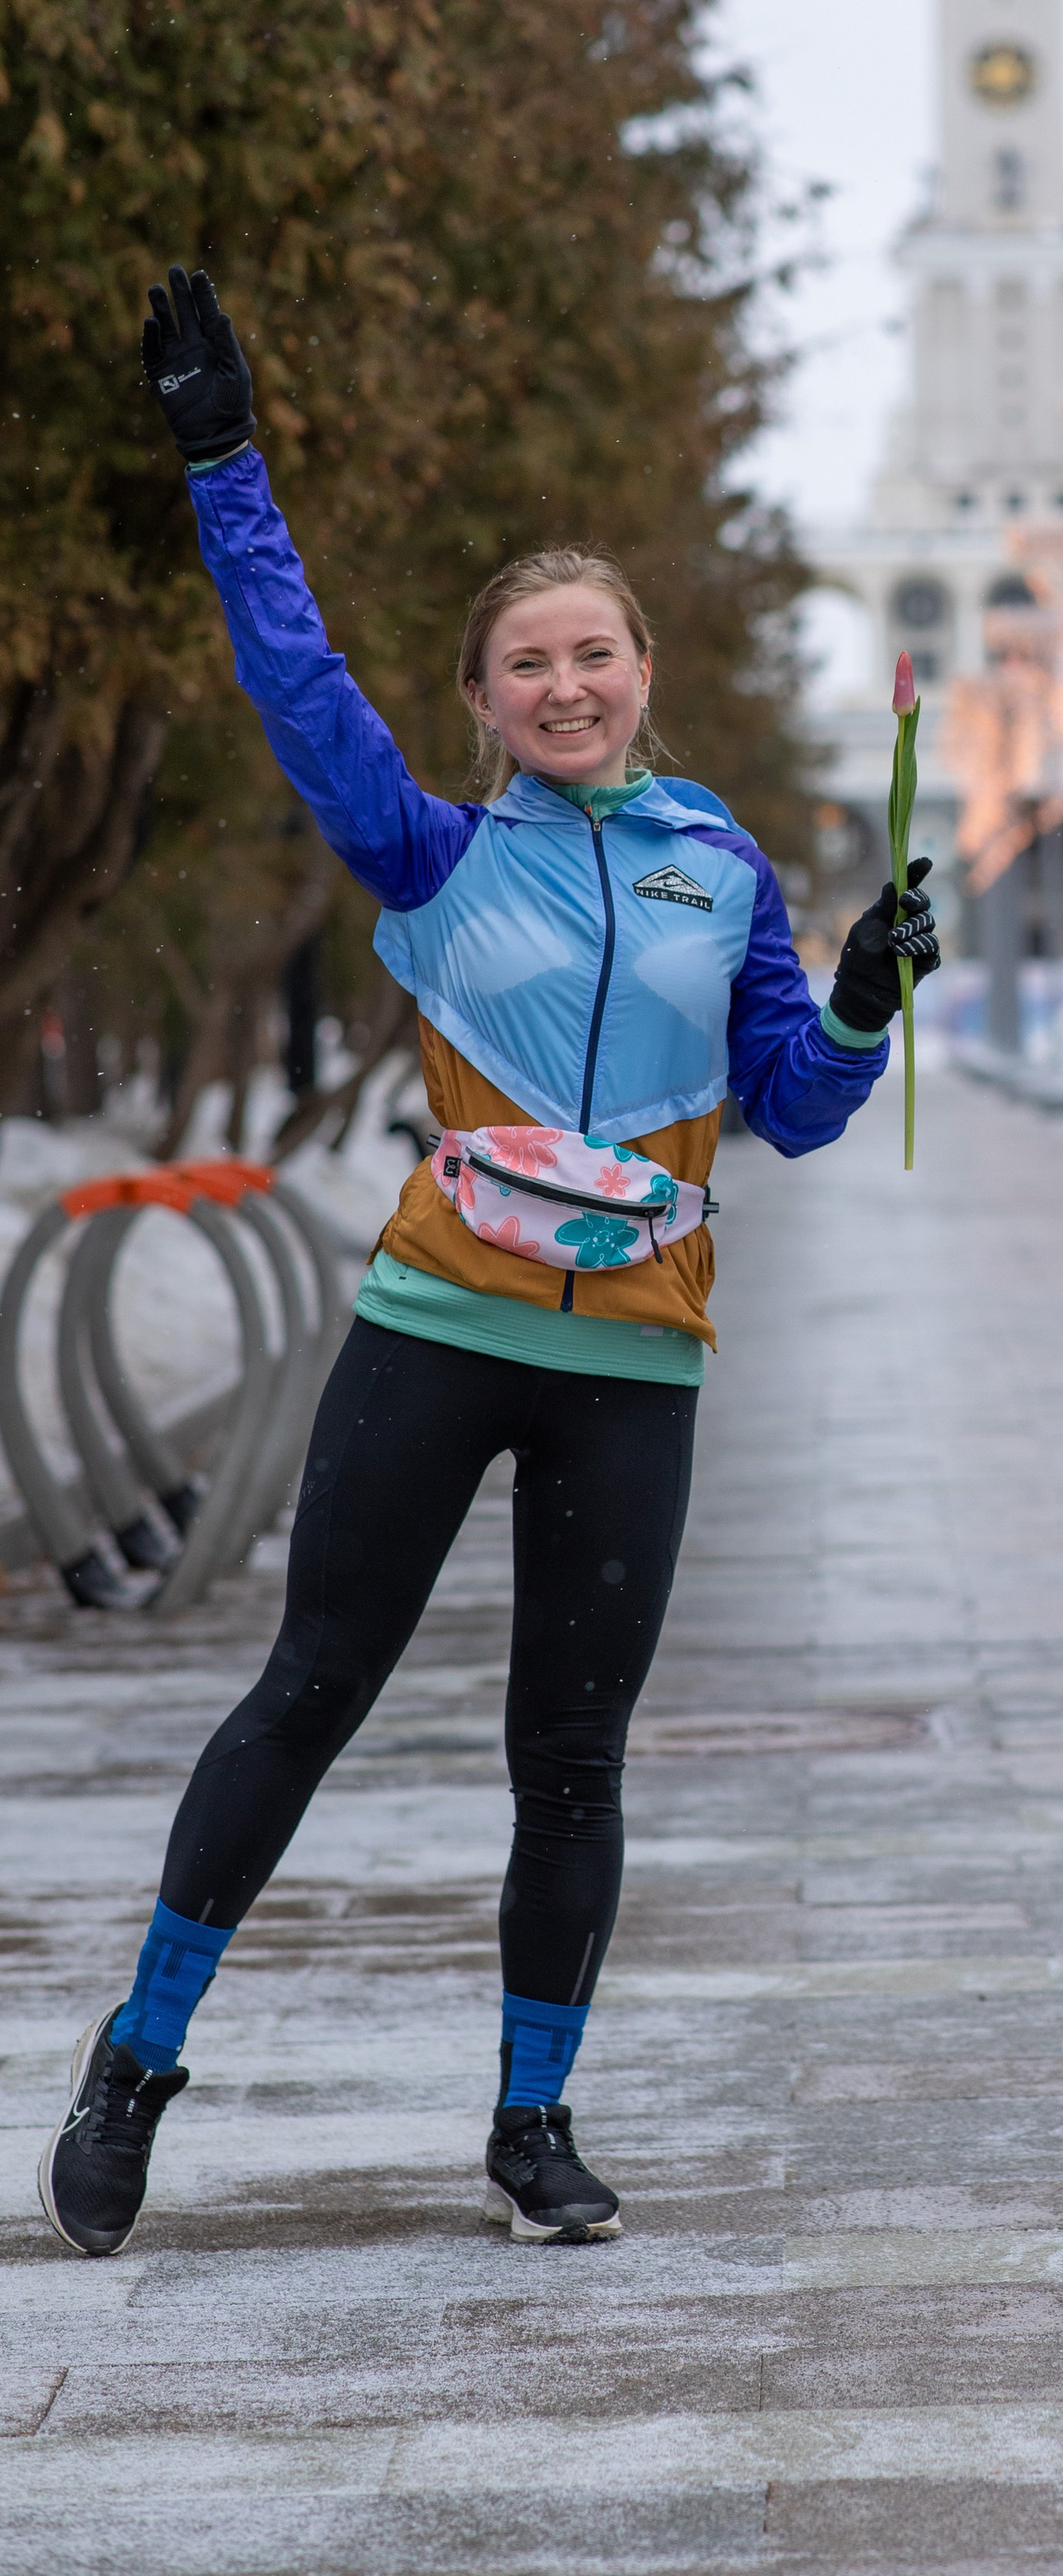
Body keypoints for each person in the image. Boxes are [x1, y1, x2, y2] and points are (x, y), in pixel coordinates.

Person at [39, 265, 938, 2258]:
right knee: (311, 1690)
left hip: (636, 1356)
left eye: (593, 653)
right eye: (526, 663)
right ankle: (138, 2058)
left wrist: (862, 994)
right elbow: (293, 682)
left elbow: (788, 1106)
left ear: (640, 671)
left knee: (571, 1759)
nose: (565, 685)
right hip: (435, 1327)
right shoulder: (435, 856)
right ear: (481, 702)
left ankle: (534, 2123)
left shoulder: (722, 866)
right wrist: (224, 468)